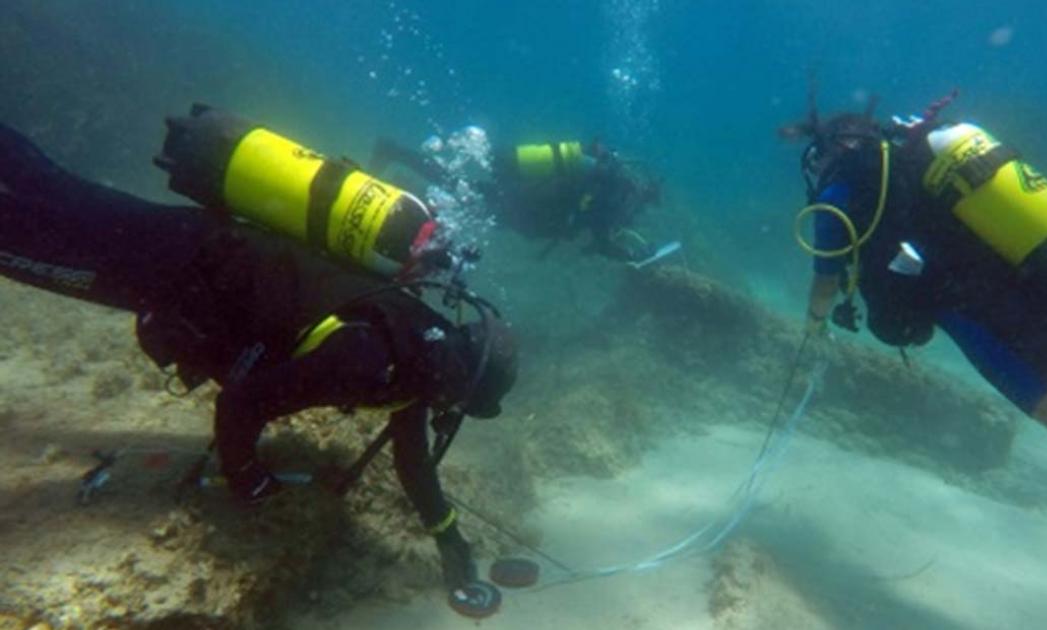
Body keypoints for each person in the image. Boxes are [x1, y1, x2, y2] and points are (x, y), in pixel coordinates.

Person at [0, 114, 518, 612]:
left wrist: (450, 539)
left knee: (55, 194)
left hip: (200, 249)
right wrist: (247, 479)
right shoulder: (372, 362)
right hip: (179, 270)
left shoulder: (416, 349)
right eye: (463, 404)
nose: (449, 412)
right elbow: (241, 404)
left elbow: (413, 463)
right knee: (30, 242)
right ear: (458, 382)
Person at [784, 91, 1047, 489]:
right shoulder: (917, 163)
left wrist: (814, 327)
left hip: (981, 312)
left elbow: (825, 283)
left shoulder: (839, 190)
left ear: (826, 152)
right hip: (1036, 286)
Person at [370, 135, 663, 262]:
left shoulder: (609, 182)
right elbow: (601, 241)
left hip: (523, 205)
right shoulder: (613, 196)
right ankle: (394, 159)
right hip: (521, 207)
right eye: (644, 204)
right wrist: (633, 256)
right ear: (643, 195)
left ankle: (396, 182)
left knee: (459, 195)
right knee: (458, 192)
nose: (638, 211)